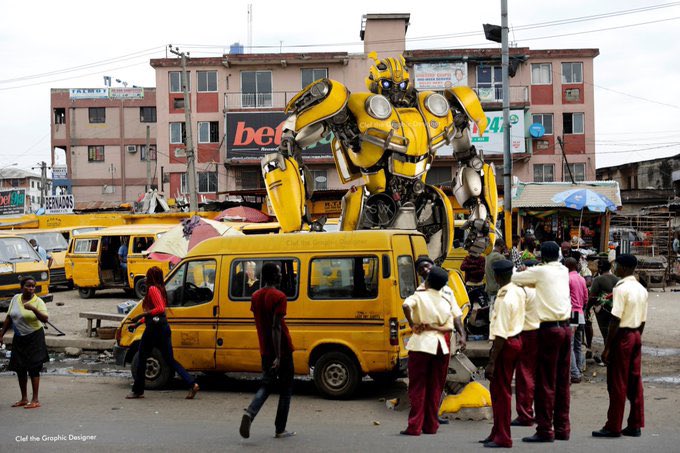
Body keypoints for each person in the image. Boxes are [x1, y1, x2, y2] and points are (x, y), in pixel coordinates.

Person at [512, 241, 572, 443]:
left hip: (549, 329)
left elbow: (513, 278)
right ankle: (563, 427)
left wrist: (524, 269)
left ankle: (546, 429)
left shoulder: (540, 271)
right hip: (566, 327)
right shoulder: (563, 270)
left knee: (545, 381)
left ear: (541, 256)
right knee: (563, 381)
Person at [592, 254, 648, 439]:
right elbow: (643, 321)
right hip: (636, 334)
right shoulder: (641, 289)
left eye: (616, 265)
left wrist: (608, 348)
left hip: (622, 336)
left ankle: (613, 425)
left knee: (617, 382)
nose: (614, 267)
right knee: (634, 381)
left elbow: (615, 319)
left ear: (623, 268)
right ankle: (635, 424)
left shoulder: (620, 288)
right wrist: (637, 336)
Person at [240, 262, 295, 440]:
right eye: (278, 273)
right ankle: (280, 429)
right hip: (282, 350)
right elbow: (276, 327)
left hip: (265, 349)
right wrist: (279, 356)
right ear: (273, 276)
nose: (281, 276)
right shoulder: (279, 296)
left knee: (266, 384)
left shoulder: (255, 296)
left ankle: (250, 412)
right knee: (286, 390)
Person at [126, 266, 199, 400]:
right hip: (162, 327)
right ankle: (192, 383)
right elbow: (157, 314)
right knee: (169, 359)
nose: (146, 279)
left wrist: (142, 315)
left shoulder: (153, 289)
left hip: (154, 329)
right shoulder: (160, 289)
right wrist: (138, 322)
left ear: (152, 277)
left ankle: (137, 390)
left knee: (142, 356)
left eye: (148, 276)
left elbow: (159, 309)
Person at [400, 266, 453, 436]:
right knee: (435, 387)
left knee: (417, 387)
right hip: (440, 346)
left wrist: (412, 323)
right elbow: (449, 326)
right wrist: (434, 326)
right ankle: (431, 425)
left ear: (428, 281)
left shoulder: (420, 296)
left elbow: (405, 305)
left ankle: (414, 426)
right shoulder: (446, 300)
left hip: (422, 344)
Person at [415, 257, 467, 425]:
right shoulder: (420, 292)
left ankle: (433, 414)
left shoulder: (447, 291)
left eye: (427, 266)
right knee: (424, 380)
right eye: (421, 269)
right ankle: (422, 416)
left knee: (438, 379)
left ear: (433, 267)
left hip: (444, 339)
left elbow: (456, 314)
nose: (425, 270)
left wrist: (462, 334)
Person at [480, 260, 525, 448]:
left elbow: (500, 332)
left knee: (500, 392)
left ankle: (503, 436)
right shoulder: (517, 290)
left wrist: (491, 361)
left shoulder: (504, 298)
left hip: (505, 343)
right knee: (499, 390)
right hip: (515, 340)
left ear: (497, 276)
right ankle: (497, 431)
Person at [0, 277, 49, 409]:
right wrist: (1, 334)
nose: (31, 288)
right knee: (20, 368)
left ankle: (35, 399)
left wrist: (33, 309)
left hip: (35, 337)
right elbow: (9, 317)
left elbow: (45, 318)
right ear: (21, 287)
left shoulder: (38, 301)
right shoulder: (16, 298)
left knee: (34, 367)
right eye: (28, 286)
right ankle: (24, 398)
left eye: (33, 286)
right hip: (19, 337)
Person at [513, 260, 540, 427]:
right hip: (544, 331)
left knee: (525, 376)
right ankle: (539, 412)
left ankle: (525, 413)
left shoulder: (523, 291)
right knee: (539, 376)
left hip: (527, 333)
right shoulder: (544, 288)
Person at [588, 260, 619, 361]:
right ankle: (614, 354)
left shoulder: (598, 280)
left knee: (605, 332)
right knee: (613, 331)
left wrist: (587, 308)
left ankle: (609, 355)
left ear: (600, 268)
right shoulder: (617, 279)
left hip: (602, 310)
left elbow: (592, 297)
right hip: (615, 309)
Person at [565, 257, 587, 383]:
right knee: (578, 345)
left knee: (570, 345)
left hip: (572, 313)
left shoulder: (568, 279)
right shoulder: (581, 279)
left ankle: (574, 373)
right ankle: (578, 369)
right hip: (581, 314)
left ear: (567, 266)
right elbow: (585, 298)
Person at [485, 239, 506, 308]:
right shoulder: (500, 257)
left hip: (489, 287)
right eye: (503, 247)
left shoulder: (488, 256)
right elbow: (504, 274)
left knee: (492, 307)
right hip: (497, 288)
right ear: (501, 246)